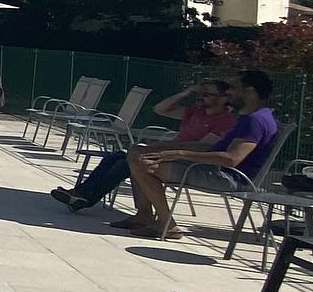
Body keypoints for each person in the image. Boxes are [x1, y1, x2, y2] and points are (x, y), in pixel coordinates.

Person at [109, 70, 279, 240]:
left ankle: (167, 224)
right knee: (138, 152)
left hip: (228, 178)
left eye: (233, 87)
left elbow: (232, 159)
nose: (228, 92)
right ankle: (144, 215)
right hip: (214, 169)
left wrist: (180, 154)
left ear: (250, 92)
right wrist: (166, 149)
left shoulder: (255, 121)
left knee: (143, 162)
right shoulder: (253, 117)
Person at [49, 79, 235, 211]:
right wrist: (186, 93)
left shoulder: (224, 120)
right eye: (200, 93)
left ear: (223, 99)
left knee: (126, 163)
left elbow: (202, 147)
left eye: (207, 94)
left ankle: (84, 198)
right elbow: (160, 109)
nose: (201, 97)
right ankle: (81, 194)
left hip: (188, 161)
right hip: (167, 152)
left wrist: (161, 147)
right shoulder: (195, 112)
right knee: (113, 158)